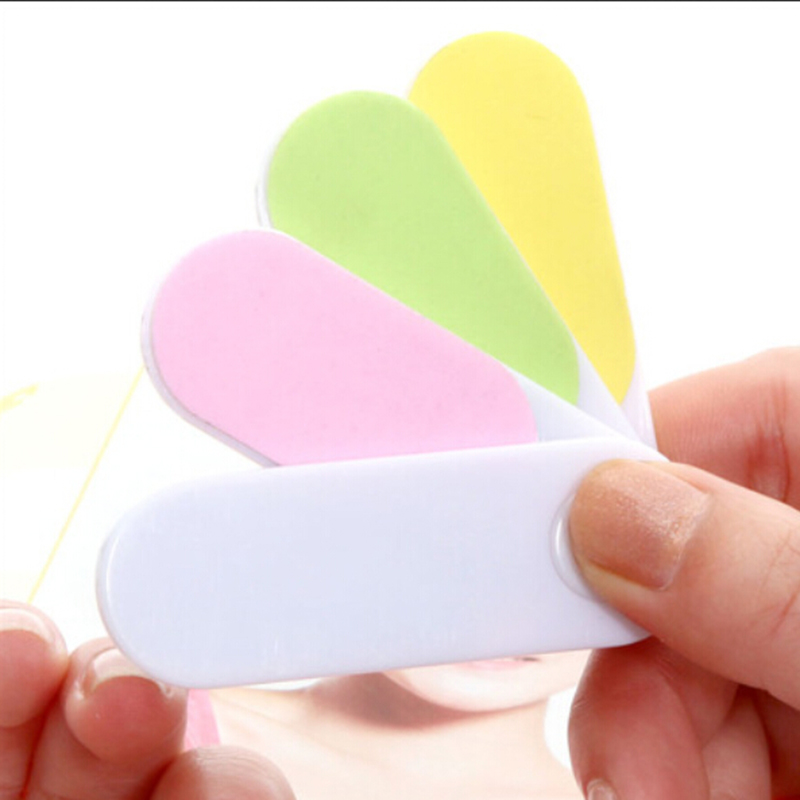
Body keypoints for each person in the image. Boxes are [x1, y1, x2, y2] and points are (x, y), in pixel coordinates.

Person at [1, 348, 798, 798]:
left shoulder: (663, 782)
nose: (491, 605)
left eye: (538, 532)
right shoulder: (165, 734)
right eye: (448, 525)